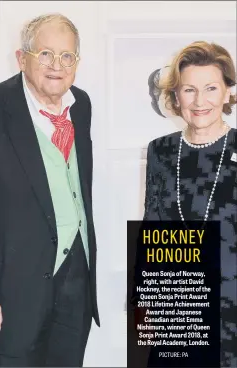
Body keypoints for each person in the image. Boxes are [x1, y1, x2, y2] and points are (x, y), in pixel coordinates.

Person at [0, 13, 99, 367]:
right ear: (22, 58)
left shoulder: (82, 106)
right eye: (45, 54)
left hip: (75, 284)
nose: (56, 65)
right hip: (9, 294)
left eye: (66, 56)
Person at [141, 41, 236, 367]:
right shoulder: (160, 151)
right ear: (176, 96)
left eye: (211, 88)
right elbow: (152, 226)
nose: (199, 101)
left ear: (227, 93)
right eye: (189, 89)